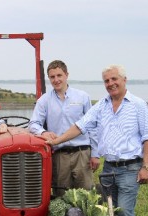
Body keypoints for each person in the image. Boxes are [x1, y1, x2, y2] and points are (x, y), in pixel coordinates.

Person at [45, 64, 148, 216]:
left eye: (114, 79)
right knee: (110, 213)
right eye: (106, 81)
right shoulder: (102, 106)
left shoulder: (138, 105)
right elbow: (80, 126)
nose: (110, 84)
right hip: (109, 169)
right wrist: (56, 141)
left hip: (130, 167)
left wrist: (146, 167)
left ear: (124, 80)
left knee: (124, 211)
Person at [29, 60, 100, 197]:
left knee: (86, 196)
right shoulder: (44, 100)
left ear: (66, 75)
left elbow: (93, 126)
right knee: (61, 196)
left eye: (59, 75)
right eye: (52, 77)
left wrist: (95, 154)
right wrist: (43, 132)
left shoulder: (83, 97)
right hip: (59, 155)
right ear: (48, 78)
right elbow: (33, 124)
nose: (56, 80)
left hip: (82, 153)